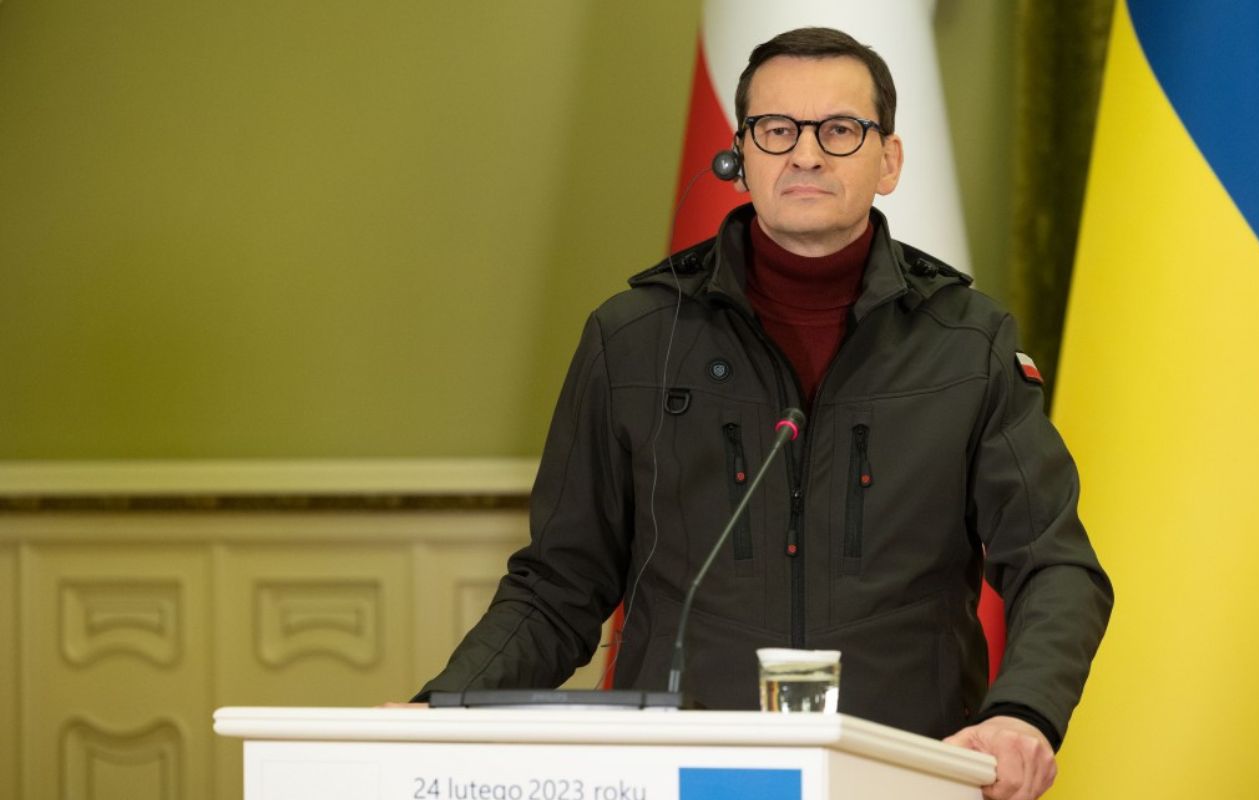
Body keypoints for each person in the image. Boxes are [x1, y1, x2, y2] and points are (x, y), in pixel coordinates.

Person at [410, 27, 1112, 800]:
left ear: (889, 160)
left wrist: (1023, 715)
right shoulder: (635, 339)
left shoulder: (968, 343)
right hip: (680, 776)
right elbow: (559, 585)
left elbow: (1055, 566)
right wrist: (436, 713)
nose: (805, 154)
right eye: (777, 130)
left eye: (839, 130)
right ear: (739, 155)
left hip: (907, 772)